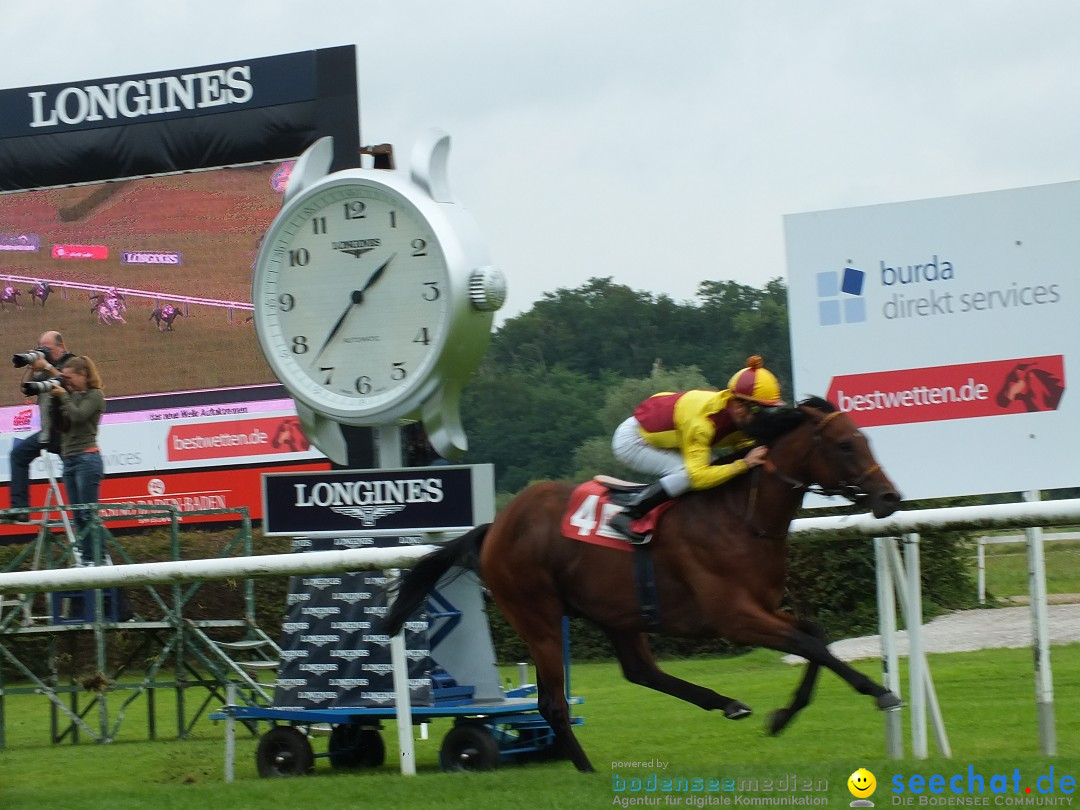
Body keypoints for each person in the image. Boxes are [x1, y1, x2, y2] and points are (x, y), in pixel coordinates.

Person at [607, 355, 783, 542]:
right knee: (687, 475)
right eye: (760, 411)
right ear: (739, 406)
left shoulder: (737, 414)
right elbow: (698, 477)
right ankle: (628, 514)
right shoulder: (703, 425)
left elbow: (745, 446)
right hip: (633, 440)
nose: (763, 417)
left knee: (716, 469)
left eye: (768, 410)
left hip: (673, 430)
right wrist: (744, 464)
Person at [3, 331, 75, 524]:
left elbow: (70, 384)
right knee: (18, 455)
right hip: (48, 431)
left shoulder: (73, 362)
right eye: (40, 348)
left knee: (72, 475)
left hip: (68, 433)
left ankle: (82, 515)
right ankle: (20, 508)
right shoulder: (44, 366)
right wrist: (32, 366)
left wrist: (48, 366)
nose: (44, 352)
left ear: (61, 346)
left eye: (47, 348)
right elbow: (26, 388)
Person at [50, 356, 106, 564]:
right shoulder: (70, 396)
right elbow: (61, 425)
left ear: (83, 375)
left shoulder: (95, 396)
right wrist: (54, 401)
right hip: (70, 460)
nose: (67, 382)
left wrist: (64, 396)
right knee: (77, 515)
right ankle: (88, 558)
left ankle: (97, 559)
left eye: (69, 377)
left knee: (87, 514)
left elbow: (79, 416)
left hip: (87, 458)